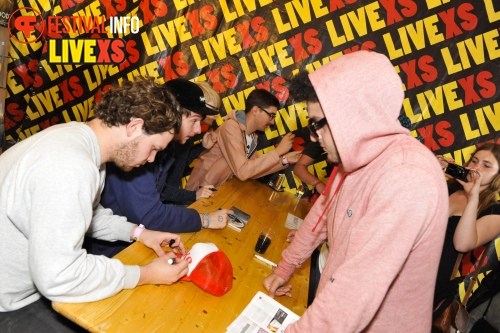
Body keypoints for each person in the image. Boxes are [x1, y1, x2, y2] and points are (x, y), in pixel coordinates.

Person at [262, 50, 449, 332]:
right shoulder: (353, 160)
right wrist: (285, 268)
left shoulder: (408, 176)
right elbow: (321, 217)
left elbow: (354, 294)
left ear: (351, 116)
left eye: (317, 125)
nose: (313, 137)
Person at [0, 77, 190, 332]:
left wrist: (139, 233)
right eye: (153, 148)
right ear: (134, 127)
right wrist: (144, 274)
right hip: (10, 304)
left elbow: (86, 213)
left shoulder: (78, 140)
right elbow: (60, 276)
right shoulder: (72, 166)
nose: (151, 159)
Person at [88, 79, 232, 258]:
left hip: (134, 239)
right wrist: (203, 219)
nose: (197, 130)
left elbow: (98, 217)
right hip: (115, 252)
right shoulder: (131, 151)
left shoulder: (157, 148)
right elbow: (150, 215)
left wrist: (139, 233)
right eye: (194, 120)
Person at [433, 144, 500, 321]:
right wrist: (432, 170)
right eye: (474, 161)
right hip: (404, 263)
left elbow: (462, 244)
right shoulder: (448, 188)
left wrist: (473, 197)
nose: (476, 168)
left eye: (487, 165)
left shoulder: (494, 211)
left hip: (433, 280)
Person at [185, 89, 302, 190]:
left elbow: (254, 171)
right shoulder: (231, 127)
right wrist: (278, 151)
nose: (272, 122)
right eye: (271, 115)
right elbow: (243, 171)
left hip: (217, 192)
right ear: (255, 110)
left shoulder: (251, 136)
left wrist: (285, 160)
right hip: (198, 195)